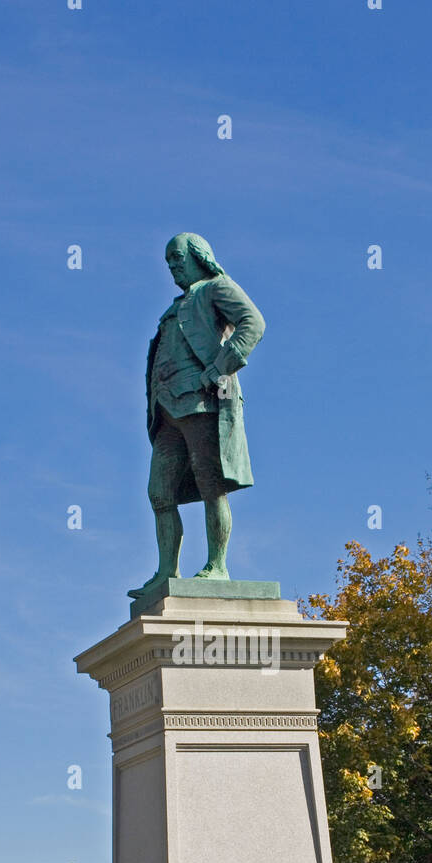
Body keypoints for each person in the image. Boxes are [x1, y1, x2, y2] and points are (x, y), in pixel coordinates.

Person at [128, 233, 265, 601]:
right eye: (168, 261)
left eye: (177, 258)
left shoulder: (216, 288)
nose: (172, 266)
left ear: (199, 257)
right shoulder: (174, 306)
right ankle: (166, 571)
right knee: (159, 491)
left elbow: (253, 322)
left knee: (211, 486)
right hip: (167, 410)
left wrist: (221, 367)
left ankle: (217, 566)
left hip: (203, 402)